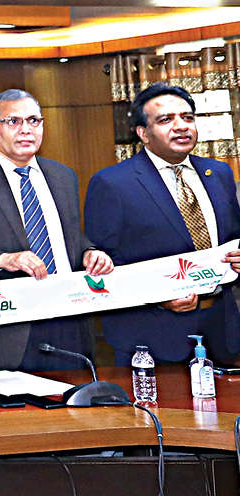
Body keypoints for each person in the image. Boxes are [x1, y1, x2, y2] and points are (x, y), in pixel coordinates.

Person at [0, 89, 113, 372]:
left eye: (33, 121)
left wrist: (89, 252)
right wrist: (3, 259)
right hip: (6, 333)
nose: (26, 130)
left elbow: (65, 237)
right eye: (13, 121)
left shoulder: (63, 175)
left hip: (70, 323)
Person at [85, 82, 240, 364]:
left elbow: (233, 238)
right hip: (152, 335)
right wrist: (158, 297)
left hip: (222, 328)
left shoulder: (218, 173)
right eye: (166, 120)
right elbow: (101, 268)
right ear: (143, 133)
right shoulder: (112, 184)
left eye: (187, 117)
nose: (181, 126)